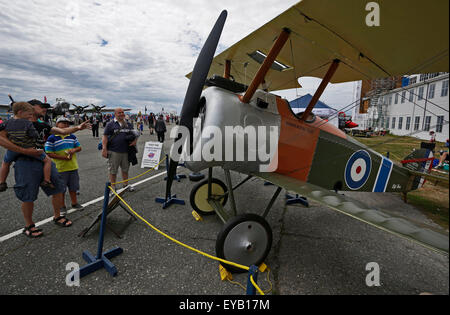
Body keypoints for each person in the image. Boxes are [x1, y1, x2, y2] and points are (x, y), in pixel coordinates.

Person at [0, 99, 91, 238]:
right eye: (41, 106)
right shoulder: (15, 124)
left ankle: (57, 216)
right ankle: (29, 225)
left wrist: (78, 128)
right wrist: (24, 151)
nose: (44, 109)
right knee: (28, 195)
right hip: (25, 162)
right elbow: (1, 138)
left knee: (58, 188)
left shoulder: (42, 124)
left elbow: (61, 130)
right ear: (30, 108)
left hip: (43, 160)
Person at [0, 102, 55, 192]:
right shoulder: (28, 124)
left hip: (12, 150)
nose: (30, 116)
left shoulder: (7, 123)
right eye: (29, 114)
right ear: (20, 112)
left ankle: (2, 182)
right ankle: (47, 180)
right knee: (47, 160)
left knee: (6, 163)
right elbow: (35, 135)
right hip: (29, 148)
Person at [45, 117, 83, 214]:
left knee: (73, 187)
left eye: (67, 123)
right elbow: (48, 153)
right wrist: (64, 158)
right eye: (63, 123)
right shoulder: (52, 137)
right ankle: (62, 206)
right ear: (57, 125)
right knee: (61, 189)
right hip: (60, 168)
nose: (66, 125)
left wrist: (73, 150)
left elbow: (79, 147)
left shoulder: (72, 136)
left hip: (73, 166)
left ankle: (74, 203)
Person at [102, 108, 139, 192]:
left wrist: (135, 141)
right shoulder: (110, 124)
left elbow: (135, 134)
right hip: (114, 151)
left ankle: (125, 185)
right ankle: (113, 187)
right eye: (119, 113)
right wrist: (104, 149)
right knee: (113, 170)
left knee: (125, 169)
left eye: (122, 112)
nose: (121, 114)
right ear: (115, 114)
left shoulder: (128, 124)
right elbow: (105, 137)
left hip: (126, 151)